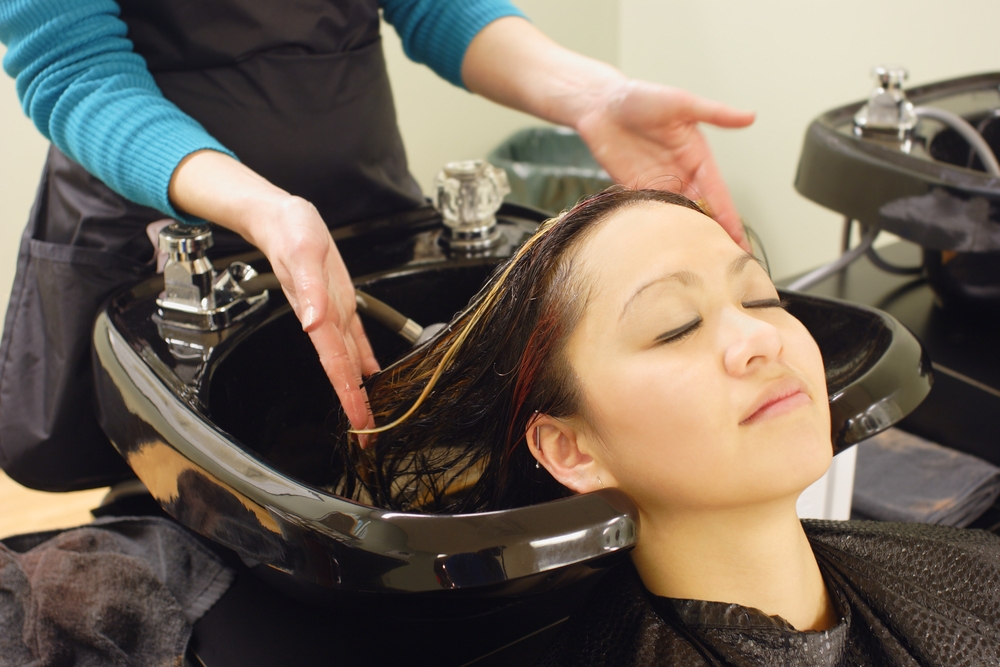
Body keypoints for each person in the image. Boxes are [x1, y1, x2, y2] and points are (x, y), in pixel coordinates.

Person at [0, 0, 754, 491]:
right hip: (157, 211)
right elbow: (69, 66)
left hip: (356, 202)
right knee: (185, 486)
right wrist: (260, 206)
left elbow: (434, 6)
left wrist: (590, 93)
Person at [336, 188, 1000, 665]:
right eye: (675, 326)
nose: (758, 338)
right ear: (571, 447)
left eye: (761, 296)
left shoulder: (970, 570)